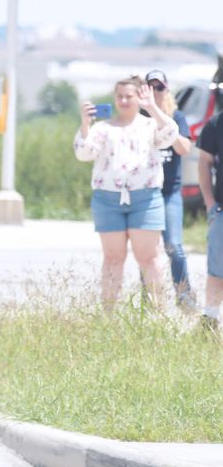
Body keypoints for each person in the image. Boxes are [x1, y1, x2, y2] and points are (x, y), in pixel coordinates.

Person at [74, 75, 178, 310]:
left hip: (145, 198)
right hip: (108, 198)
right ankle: (109, 313)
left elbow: (170, 134)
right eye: (119, 96)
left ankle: (158, 311)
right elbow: (83, 152)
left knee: (149, 258)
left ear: (139, 97)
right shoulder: (102, 128)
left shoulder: (151, 125)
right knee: (112, 258)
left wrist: (151, 107)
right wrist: (84, 123)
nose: (124, 100)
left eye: (129, 96)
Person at [143, 69, 196, 310]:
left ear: (167, 90)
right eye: (150, 88)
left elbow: (185, 148)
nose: (155, 92)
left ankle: (184, 297)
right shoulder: (140, 118)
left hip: (169, 192)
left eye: (159, 88)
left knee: (174, 246)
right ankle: (151, 300)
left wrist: (165, 120)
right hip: (145, 192)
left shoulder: (177, 116)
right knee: (147, 250)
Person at [196, 109, 223, 334]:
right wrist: (209, 203)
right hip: (222, 210)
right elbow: (204, 162)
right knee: (217, 270)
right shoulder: (216, 123)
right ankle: (210, 323)